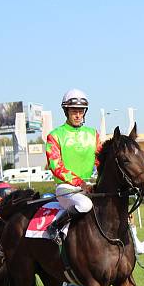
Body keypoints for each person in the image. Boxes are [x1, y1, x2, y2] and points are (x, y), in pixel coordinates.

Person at [45, 89, 100, 244]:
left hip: (89, 186)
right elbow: (56, 166)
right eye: (73, 111)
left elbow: (100, 161)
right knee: (85, 204)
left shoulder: (93, 134)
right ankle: (55, 226)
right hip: (66, 188)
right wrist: (79, 183)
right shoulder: (55, 135)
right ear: (66, 111)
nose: (77, 115)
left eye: (81, 111)